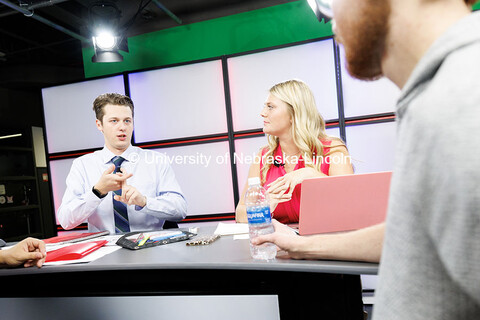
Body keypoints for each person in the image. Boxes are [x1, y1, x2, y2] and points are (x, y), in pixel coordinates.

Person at [255, 0, 480, 319]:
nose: (325, 16)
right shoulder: (440, 93)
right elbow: (411, 233)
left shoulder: (465, 94)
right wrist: (301, 245)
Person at [58, 93, 187, 234]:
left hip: (150, 246)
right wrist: (97, 191)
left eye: (127, 121)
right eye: (114, 121)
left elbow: (180, 209)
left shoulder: (157, 161)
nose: (122, 127)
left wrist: (144, 201)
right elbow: (65, 220)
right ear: (99, 124)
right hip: (104, 249)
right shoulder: (82, 165)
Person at [235, 79, 353, 224]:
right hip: (280, 244)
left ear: (293, 114)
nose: (262, 113)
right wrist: (263, 207)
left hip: (324, 243)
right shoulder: (264, 157)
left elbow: (349, 204)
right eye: (265, 106)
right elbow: (240, 214)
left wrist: (311, 174)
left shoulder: (332, 150)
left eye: (270, 107)